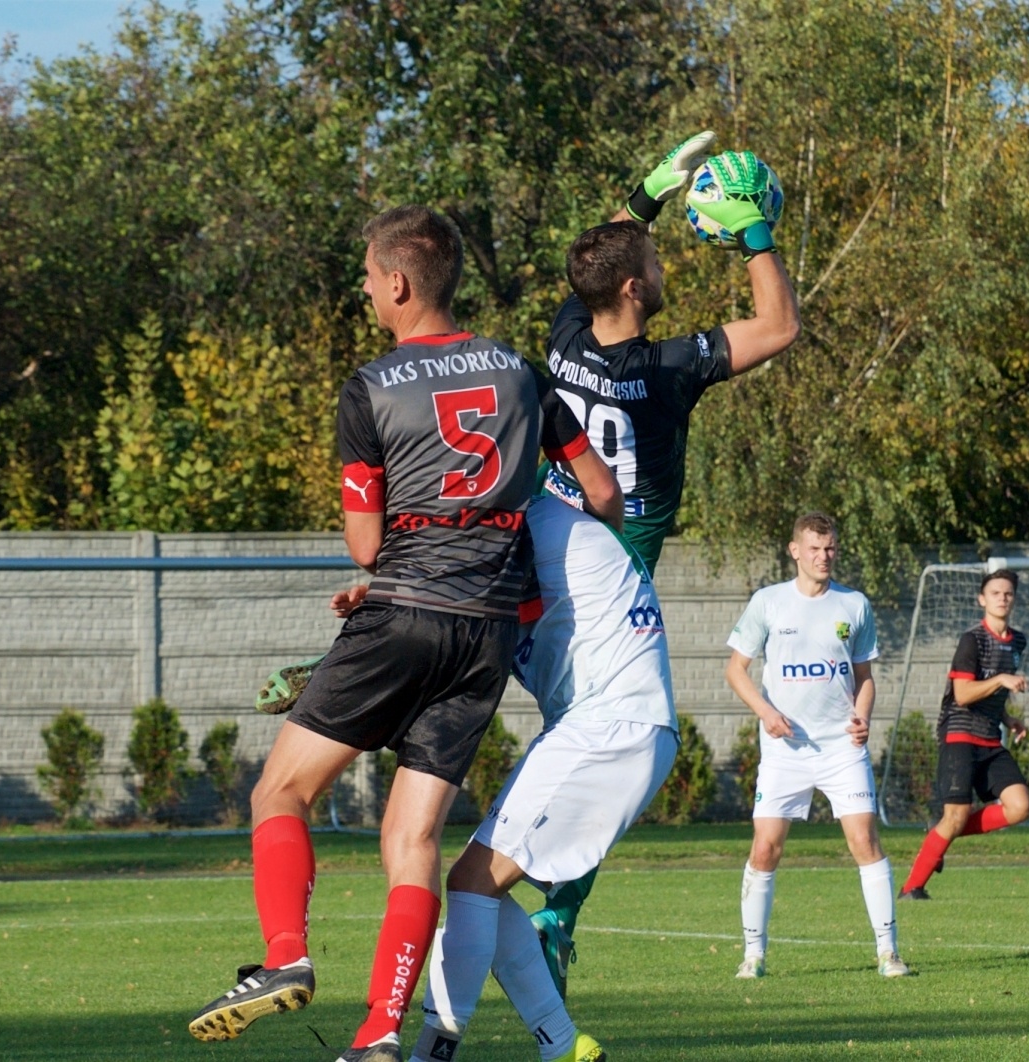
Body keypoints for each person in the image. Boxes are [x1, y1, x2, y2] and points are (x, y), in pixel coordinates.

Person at [186, 205, 622, 1062]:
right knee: (413, 838)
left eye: (366, 280)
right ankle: (381, 1032)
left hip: (403, 606)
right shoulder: (524, 373)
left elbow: (365, 542)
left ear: (397, 282)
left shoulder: (371, 385)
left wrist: (398, 569)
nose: (365, 294)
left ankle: (285, 959)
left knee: (279, 793)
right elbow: (601, 493)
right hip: (488, 633)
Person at [530, 130, 802, 993]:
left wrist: (648, 191)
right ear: (637, 289)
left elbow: (600, 254)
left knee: (485, 667)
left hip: (543, 540)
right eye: (651, 252)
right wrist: (754, 228)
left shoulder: (565, 332)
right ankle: (554, 917)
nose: (656, 251)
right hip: (615, 568)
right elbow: (780, 325)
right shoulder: (667, 369)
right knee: (620, 746)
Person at [408, 493, 680, 1062]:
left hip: (608, 729)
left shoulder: (525, 522)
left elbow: (447, 614)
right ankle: (564, 1046)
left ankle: (431, 1053)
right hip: (613, 728)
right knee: (481, 885)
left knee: (470, 885)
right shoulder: (534, 542)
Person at [724, 512, 909, 980]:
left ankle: (888, 953)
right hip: (786, 749)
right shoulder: (768, 603)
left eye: (829, 548)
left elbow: (865, 679)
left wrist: (863, 716)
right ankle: (753, 956)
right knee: (766, 848)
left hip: (841, 748)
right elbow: (735, 671)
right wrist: (766, 713)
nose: (823, 556)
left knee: (864, 840)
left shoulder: (854, 605)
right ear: (795, 551)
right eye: (814, 548)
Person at [896, 570, 1029, 900]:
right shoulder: (972, 639)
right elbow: (963, 694)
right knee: (955, 814)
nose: (1003, 597)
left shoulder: (1018, 641)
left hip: (990, 738)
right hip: (959, 734)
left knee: (1019, 806)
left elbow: (991, 692)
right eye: (996, 593)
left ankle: (939, 834)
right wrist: (1002, 679)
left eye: (1008, 593)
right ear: (982, 600)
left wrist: (1007, 718)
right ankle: (912, 887)